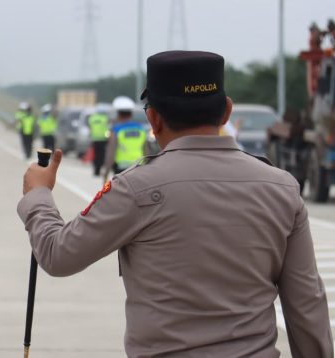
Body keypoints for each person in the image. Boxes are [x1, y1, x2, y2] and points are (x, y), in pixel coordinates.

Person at [17, 51, 332, 356]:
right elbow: (307, 305)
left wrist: (39, 196)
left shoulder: (136, 188)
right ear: (226, 112)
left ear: (153, 118)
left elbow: (59, 255)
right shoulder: (281, 188)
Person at [102, 96, 146, 182]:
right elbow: (147, 150)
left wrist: (106, 173)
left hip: (121, 169)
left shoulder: (117, 130)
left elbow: (111, 152)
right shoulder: (141, 129)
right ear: (131, 114)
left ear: (118, 115)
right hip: (138, 167)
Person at [87, 104, 110, 176]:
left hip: (94, 139)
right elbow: (108, 127)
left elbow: (90, 127)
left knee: (96, 155)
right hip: (103, 139)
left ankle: (96, 170)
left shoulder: (92, 118)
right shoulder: (105, 118)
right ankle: (99, 169)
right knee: (101, 155)